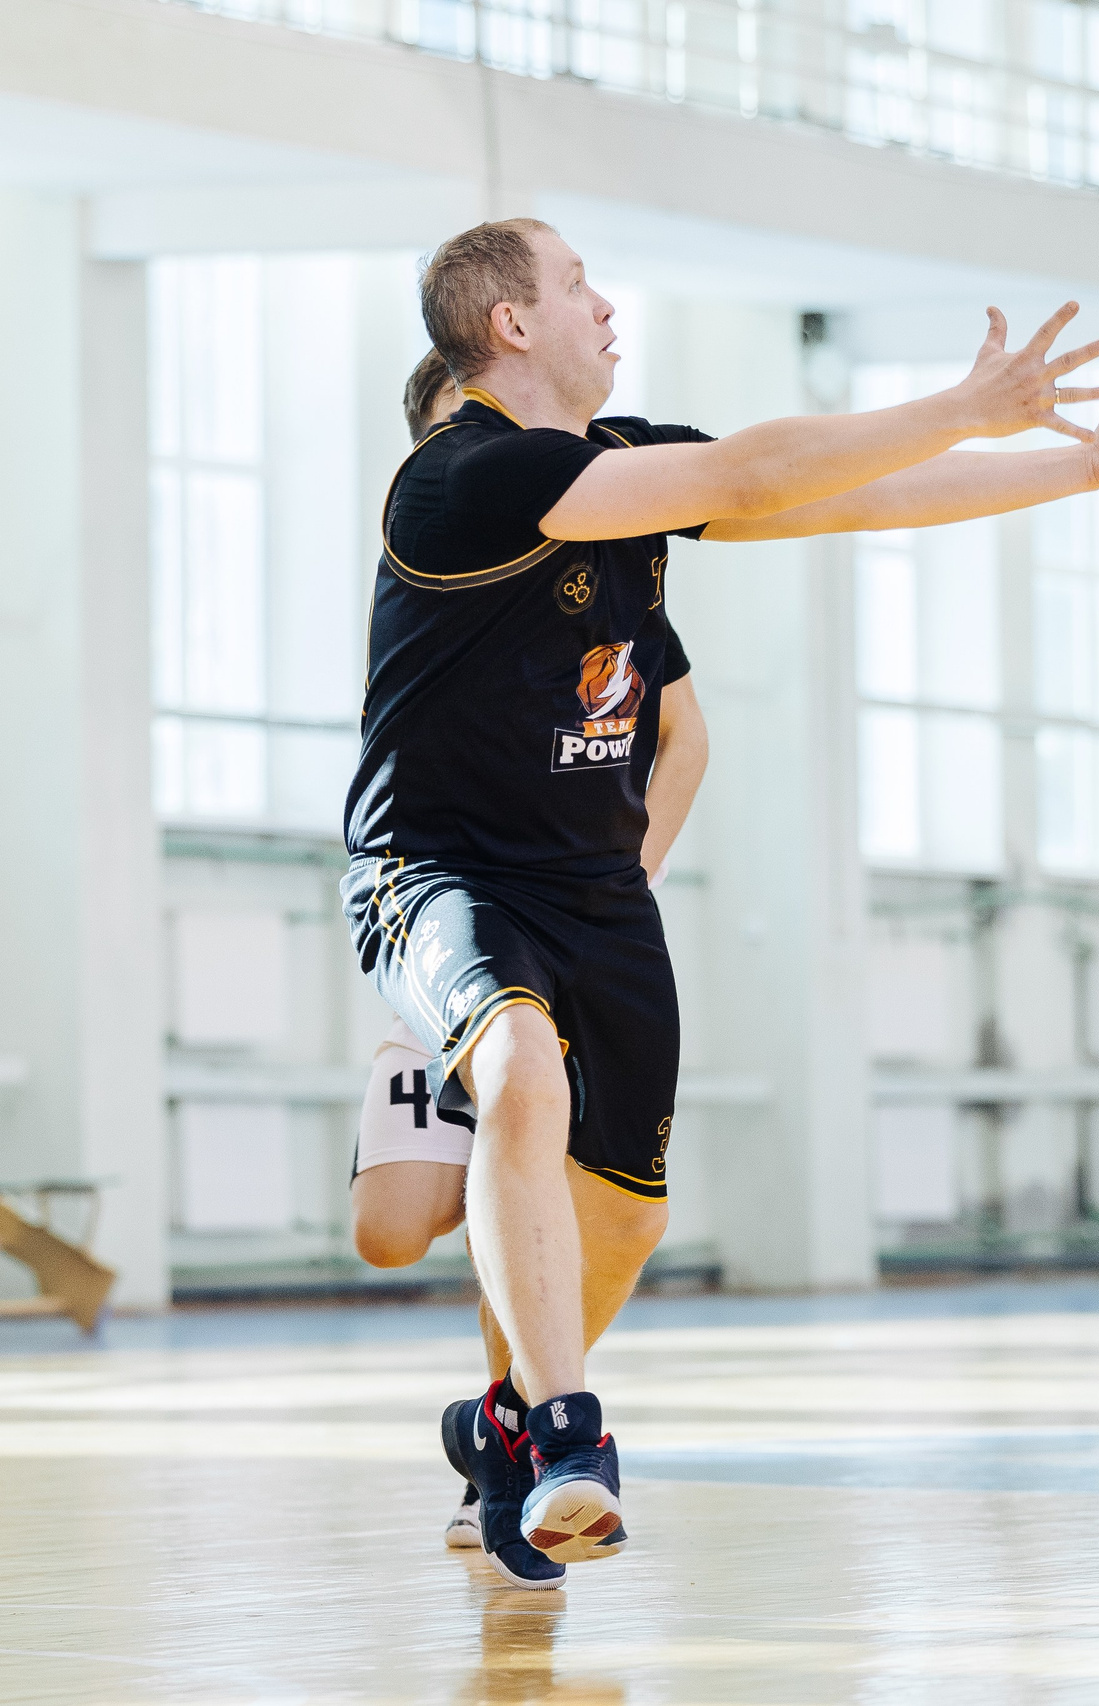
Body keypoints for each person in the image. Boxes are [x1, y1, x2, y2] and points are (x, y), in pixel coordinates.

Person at [348, 219, 1099, 1587]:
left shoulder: (616, 460)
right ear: (514, 325)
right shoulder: (460, 478)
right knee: (517, 1066)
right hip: (437, 869)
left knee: (629, 1215)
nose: (605, 301)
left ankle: (500, 1423)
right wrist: (963, 397)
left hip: (591, 886)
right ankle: (571, 1437)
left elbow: (853, 497)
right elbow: (761, 462)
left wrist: (1080, 464)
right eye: (577, 282)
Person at [352, 344, 706, 1564]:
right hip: (458, 907)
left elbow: (683, 740)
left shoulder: (608, 567)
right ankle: (533, 1417)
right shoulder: (455, 519)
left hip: (565, 918)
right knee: (396, 1227)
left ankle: (510, 1427)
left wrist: (626, 880)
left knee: (559, 1162)